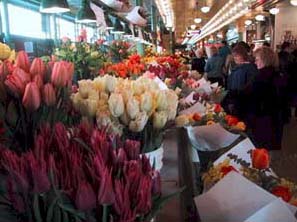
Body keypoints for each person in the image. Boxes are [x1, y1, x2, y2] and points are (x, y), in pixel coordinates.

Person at [245, 46, 285, 150]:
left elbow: (251, 99)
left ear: (265, 60)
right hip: (275, 122)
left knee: (258, 154)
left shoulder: (260, 78)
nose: (255, 62)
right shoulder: (279, 75)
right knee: (266, 154)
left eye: (257, 60)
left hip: (261, 123)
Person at [223, 45, 258, 117]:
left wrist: (232, 100)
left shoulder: (247, 69)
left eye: (237, 55)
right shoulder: (238, 68)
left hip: (242, 103)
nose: (235, 58)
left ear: (243, 55)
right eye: (234, 56)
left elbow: (247, 87)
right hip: (239, 101)